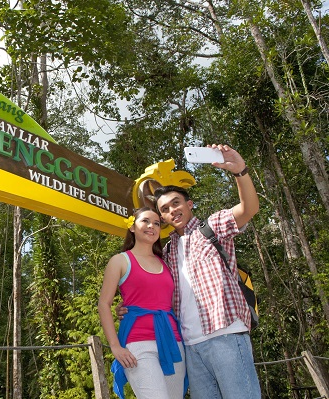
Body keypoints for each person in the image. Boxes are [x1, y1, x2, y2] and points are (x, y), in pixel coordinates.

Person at [118, 144, 261, 399]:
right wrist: (131, 308)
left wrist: (240, 171)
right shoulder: (169, 251)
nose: (172, 210)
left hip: (225, 334)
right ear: (162, 218)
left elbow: (248, 209)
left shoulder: (212, 227)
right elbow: (157, 293)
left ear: (189, 204)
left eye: (176, 203)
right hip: (189, 346)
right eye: (165, 209)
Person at [98, 207, 186, 399]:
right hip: (138, 344)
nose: (151, 226)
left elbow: (172, 303)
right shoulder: (120, 261)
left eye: (156, 223)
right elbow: (104, 304)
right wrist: (115, 346)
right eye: (145, 221)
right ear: (132, 227)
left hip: (173, 342)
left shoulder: (166, 262)